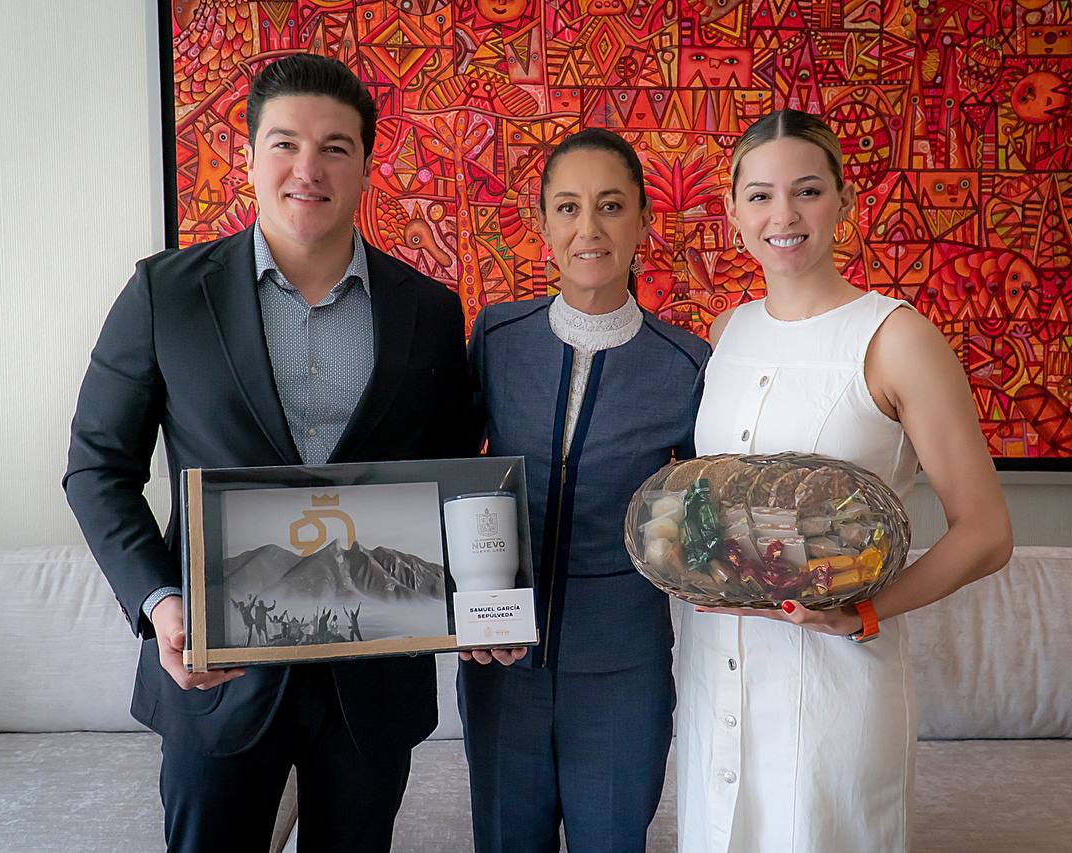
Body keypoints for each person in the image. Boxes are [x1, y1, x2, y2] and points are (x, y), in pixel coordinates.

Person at [63, 54, 473, 853]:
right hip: (217, 671)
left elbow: (451, 479)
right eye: (284, 143)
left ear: (366, 164)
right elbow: (96, 469)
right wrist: (158, 601)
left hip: (373, 675)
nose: (307, 169)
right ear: (247, 157)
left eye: (335, 147)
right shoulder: (165, 294)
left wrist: (488, 594)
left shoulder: (428, 309)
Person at [676, 109, 1014, 853]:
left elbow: (987, 534)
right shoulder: (725, 333)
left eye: (807, 191)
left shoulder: (896, 337)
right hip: (715, 679)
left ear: (844, 201)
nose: (783, 215)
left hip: (835, 687)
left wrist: (865, 611)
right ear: (732, 211)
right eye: (760, 195)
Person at [461, 128, 710, 852]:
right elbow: (447, 472)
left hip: (623, 667)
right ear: (542, 225)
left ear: (642, 221)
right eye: (567, 208)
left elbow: (703, 524)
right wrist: (462, 606)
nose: (589, 228)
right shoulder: (496, 337)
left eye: (610, 205)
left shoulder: (686, 364)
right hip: (502, 662)